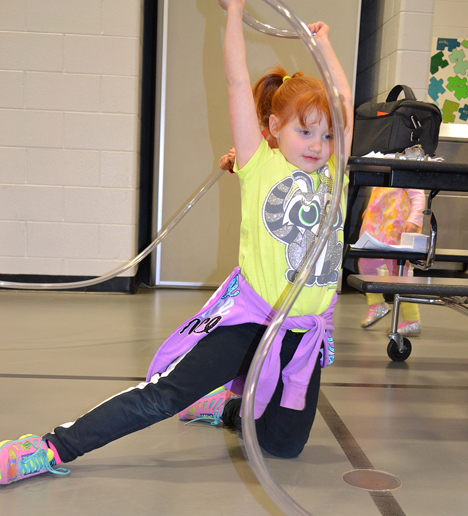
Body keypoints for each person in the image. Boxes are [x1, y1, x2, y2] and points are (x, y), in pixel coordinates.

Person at [0, 0, 353, 486]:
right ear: (274, 128)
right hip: (253, 322)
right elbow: (235, 83)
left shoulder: (336, 175)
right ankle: (48, 448)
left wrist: (325, 46)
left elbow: (344, 102)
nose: (318, 143)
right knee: (162, 397)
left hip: (302, 336)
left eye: (328, 135)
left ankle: (227, 409)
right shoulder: (259, 165)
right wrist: (233, 13)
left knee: (282, 446)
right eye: (305, 131)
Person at [358, 187, 425, 335]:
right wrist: (370, 210)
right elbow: (378, 194)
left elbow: (418, 196)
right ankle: (376, 304)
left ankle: (412, 320)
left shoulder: (404, 168)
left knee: (400, 274)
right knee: (365, 263)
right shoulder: (383, 170)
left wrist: (414, 220)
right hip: (378, 229)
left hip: (397, 230)